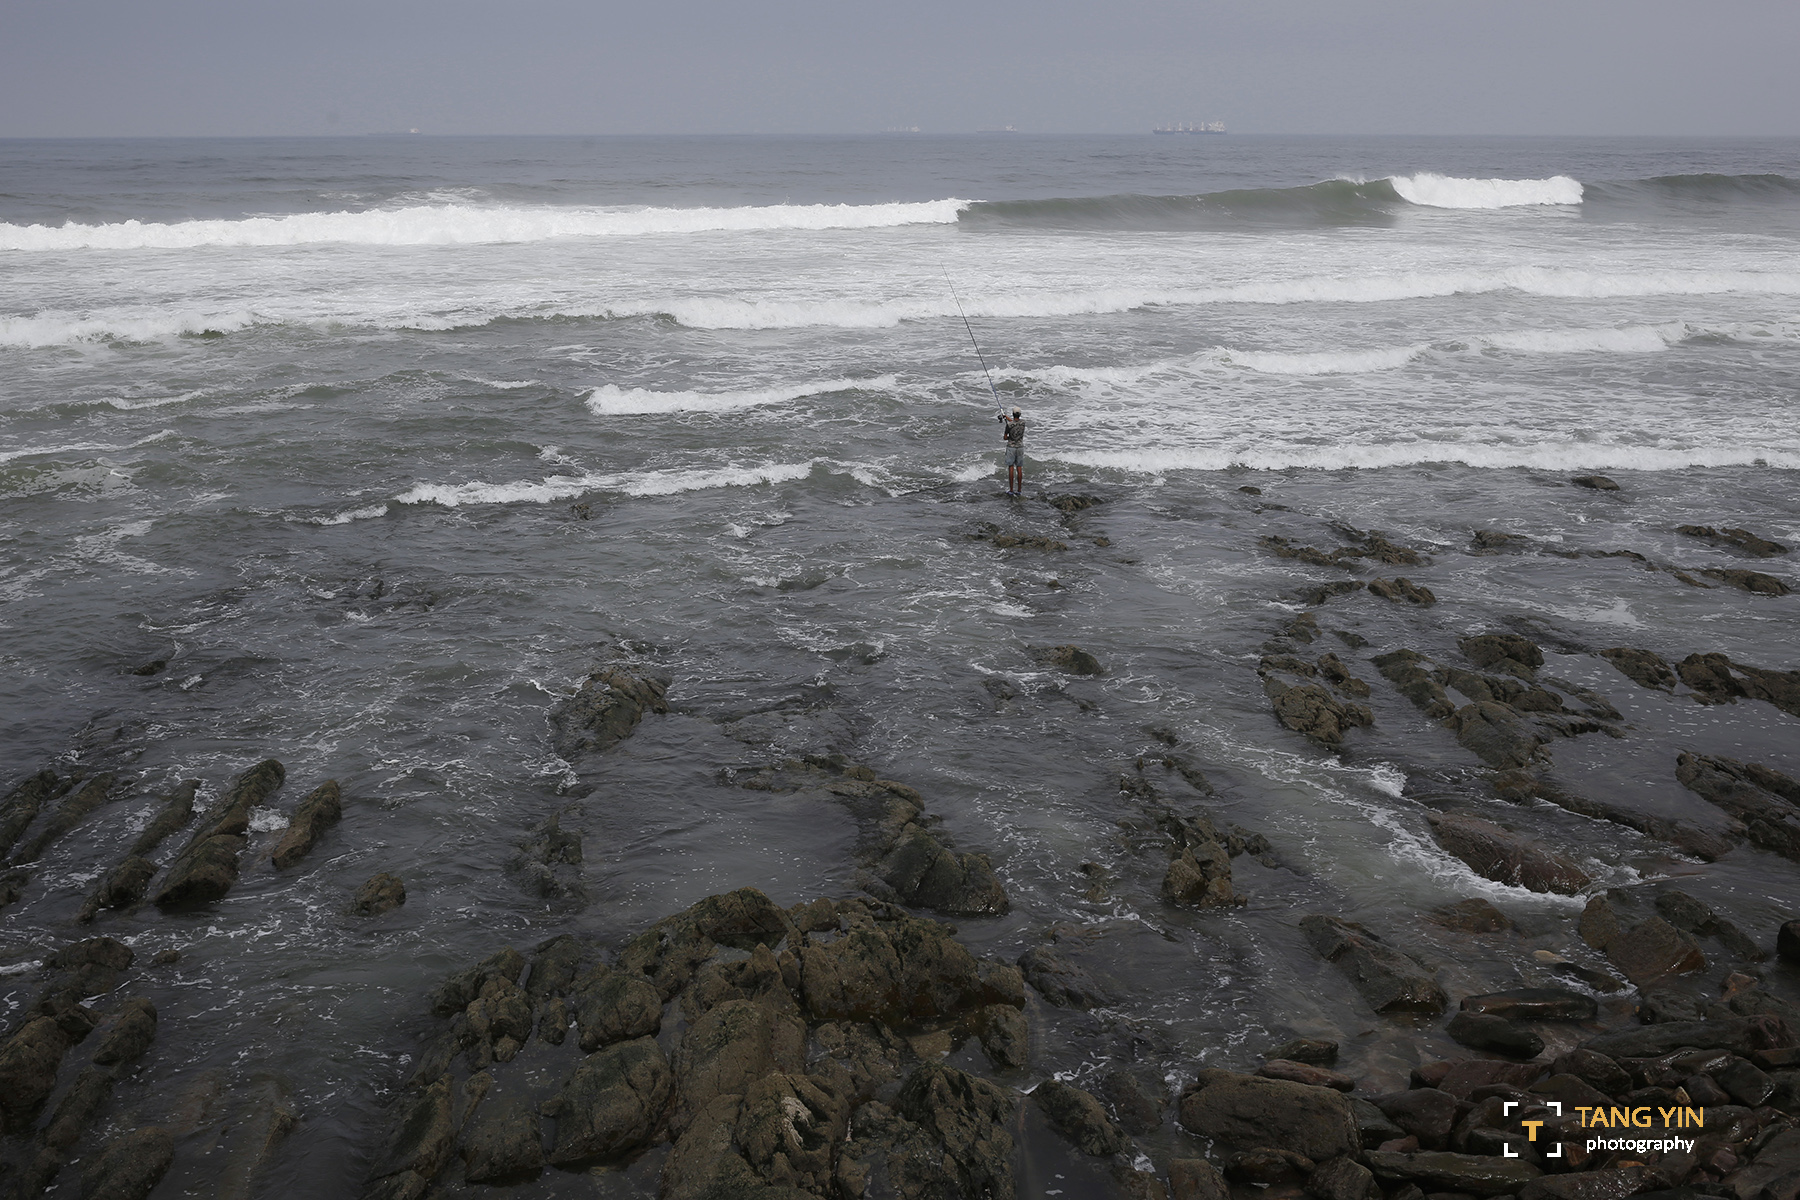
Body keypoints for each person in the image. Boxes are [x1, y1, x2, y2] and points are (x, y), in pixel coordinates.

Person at [997, 406, 1026, 495]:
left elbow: (1005, 437)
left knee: (1011, 468)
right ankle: (1019, 490)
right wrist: (1006, 417)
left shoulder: (1009, 425)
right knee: (1019, 468)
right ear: (1020, 414)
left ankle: (1011, 490)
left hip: (1011, 447)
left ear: (1013, 414)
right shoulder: (1023, 422)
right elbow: (1015, 423)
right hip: (1020, 447)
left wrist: (1010, 436)